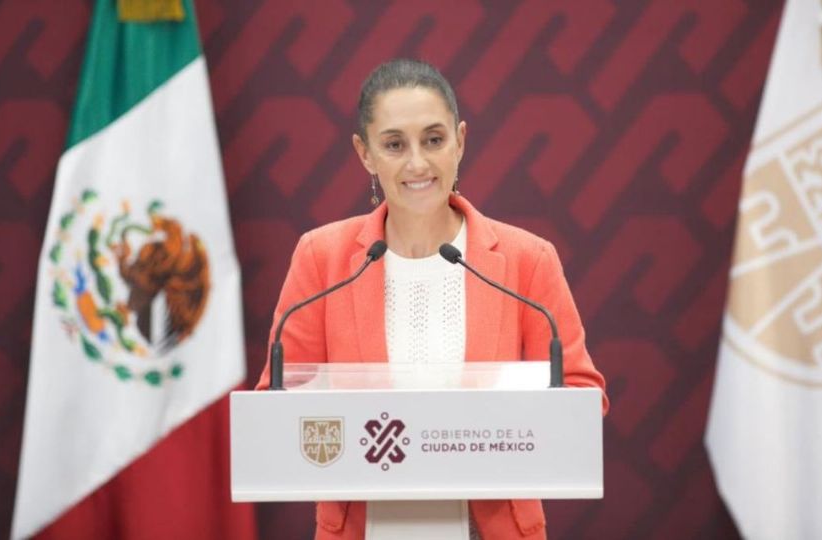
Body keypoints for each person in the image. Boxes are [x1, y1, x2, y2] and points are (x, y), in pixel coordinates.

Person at [257, 58, 608, 540]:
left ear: (461, 141)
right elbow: (277, 403)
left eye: (434, 139)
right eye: (395, 144)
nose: (417, 163)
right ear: (365, 153)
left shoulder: (528, 260)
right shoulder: (322, 258)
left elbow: (582, 397)